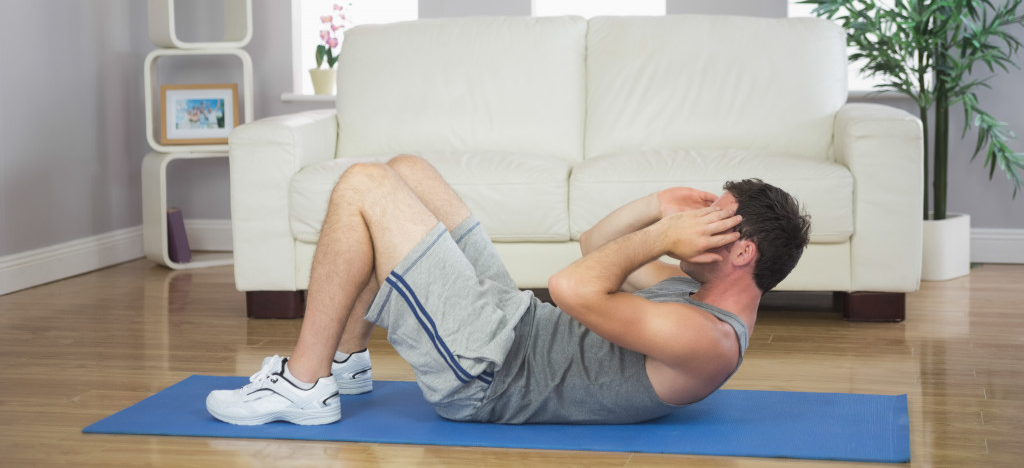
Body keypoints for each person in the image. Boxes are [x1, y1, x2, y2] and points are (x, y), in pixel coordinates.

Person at [206, 155, 810, 426]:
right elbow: (593, 242)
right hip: (513, 323)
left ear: (742, 252)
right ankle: (349, 360)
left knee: (365, 185)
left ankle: (305, 384)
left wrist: (662, 236)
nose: (697, 223)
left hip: (490, 372)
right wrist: (660, 207)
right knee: (407, 170)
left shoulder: (706, 340)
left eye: (716, 218)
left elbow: (571, 286)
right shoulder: (688, 295)